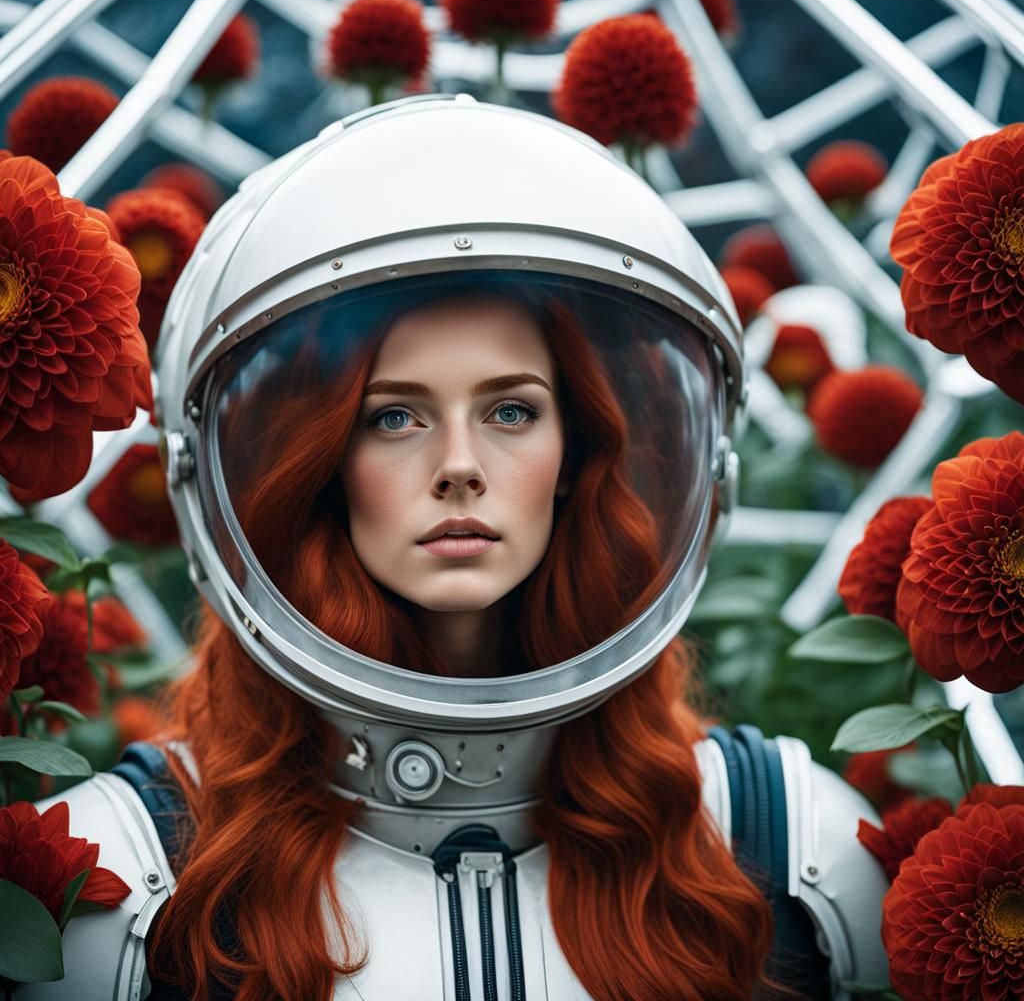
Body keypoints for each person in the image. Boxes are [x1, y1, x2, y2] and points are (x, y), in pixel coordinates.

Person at [21, 97, 888, 1001]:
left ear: (575, 452)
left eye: (511, 410)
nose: (461, 467)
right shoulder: (125, 881)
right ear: (322, 463)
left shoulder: (790, 848)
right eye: (393, 417)